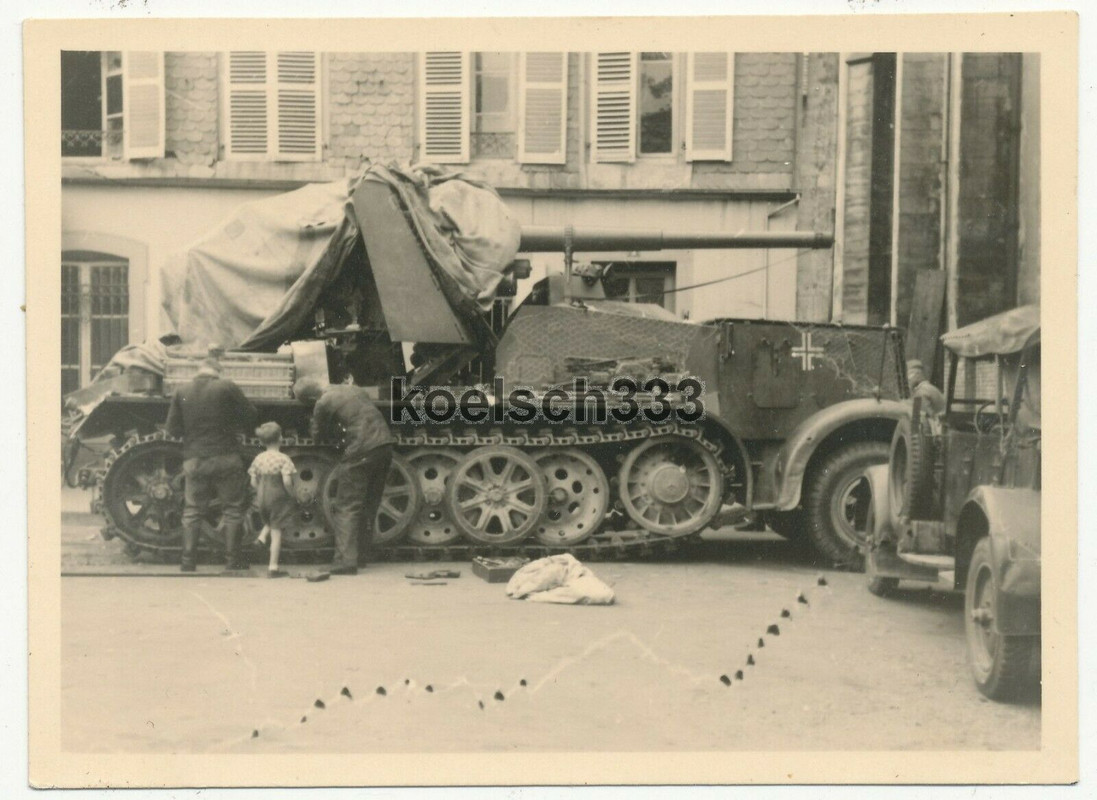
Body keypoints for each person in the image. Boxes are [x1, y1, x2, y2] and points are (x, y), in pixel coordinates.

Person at [165, 357, 258, 572]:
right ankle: (232, 560)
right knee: (233, 509)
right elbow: (251, 414)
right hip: (226, 457)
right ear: (218, 371)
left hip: (195, 460)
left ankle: (188, 562)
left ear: (199, 371)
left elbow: (173, 430)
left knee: (192, 510)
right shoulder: (227, 387)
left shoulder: (182, 391)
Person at [298, 379, 395, 576]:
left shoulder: (322, 402)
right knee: (369, 504)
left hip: (360, 450)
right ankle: (361, 556)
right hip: (384, 447)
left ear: (310, 397)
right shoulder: (354, 388)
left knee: (347, 506)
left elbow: (317, 434)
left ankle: (345, 562)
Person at [248, 422, 297, 578]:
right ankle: (273, 568)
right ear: (280, 438)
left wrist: (260, 492)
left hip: (262, 496)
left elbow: (253, 481)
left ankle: (262, 537)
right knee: (277, 532)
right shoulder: (284, 459)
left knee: (271, 519)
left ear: (262, 442)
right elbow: (287, 482)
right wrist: (292, 494)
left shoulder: (258, 458)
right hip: (277, 496)